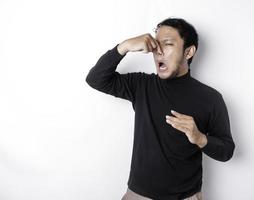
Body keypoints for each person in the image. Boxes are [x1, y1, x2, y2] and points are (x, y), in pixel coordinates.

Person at [85, 17, 235, 200]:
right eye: (156, 45)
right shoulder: (142, 85)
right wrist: (124, 46)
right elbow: (95, 79)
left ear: (189, 52)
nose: (158, 51)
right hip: (138, 195)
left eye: (168, 44)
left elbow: (227, 151)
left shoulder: (211, 98)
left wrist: (199, 137)